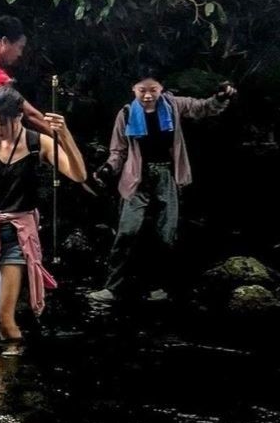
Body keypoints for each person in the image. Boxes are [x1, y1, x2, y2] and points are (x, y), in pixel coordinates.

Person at [90, 77, 237, 303]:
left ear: (161, 90)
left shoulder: (173, 105)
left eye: (153, 90)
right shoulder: (127, 113)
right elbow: (118, 151)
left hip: (166, 175)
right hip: (136, 177)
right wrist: (108, 169)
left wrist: (221, 97)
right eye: (142, 91)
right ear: (134, 90)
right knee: (127, 232)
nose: (148, 96)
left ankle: (158, 287)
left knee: (165, 235)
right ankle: (113, 288)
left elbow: (203, 108)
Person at [0, 85, 87, 355]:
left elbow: (79, 175)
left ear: (18, 117)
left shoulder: (38, 144)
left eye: (1, 123)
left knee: (3, 318)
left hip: (17, 235)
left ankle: (7, 384)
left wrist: (64, 136)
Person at [0, 15, 53, 136]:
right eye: (20, 47)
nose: (20, 54)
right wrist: (61, 142)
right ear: (4, 41)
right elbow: (32, 115)